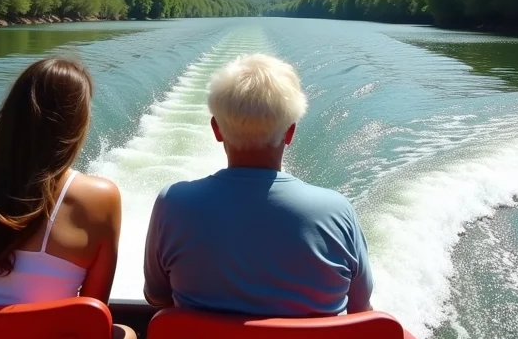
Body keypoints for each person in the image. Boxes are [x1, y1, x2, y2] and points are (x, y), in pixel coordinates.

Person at [0, 57, 136, 339]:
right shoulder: (100, 198)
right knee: (125, 334)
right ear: (77, 124)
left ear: (10, 115)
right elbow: (91, 313)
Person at [143, 53, 373, 317]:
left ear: (216, 130)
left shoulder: (173, 203)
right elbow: (361, 310)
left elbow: (156, 296)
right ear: (290, 132)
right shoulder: (337, 212)